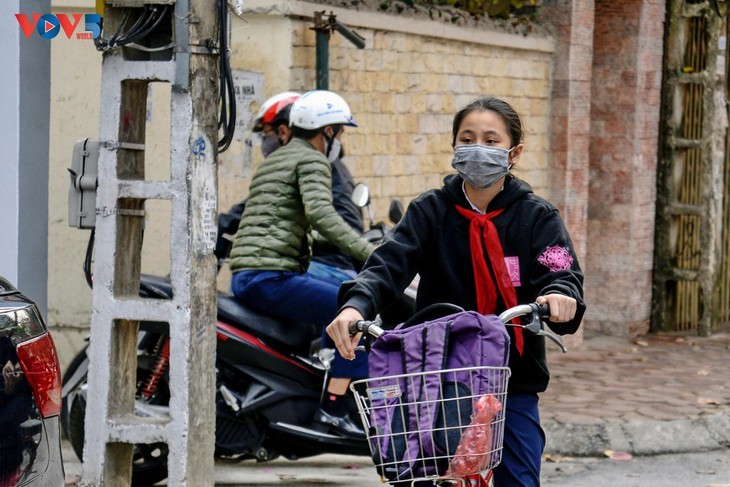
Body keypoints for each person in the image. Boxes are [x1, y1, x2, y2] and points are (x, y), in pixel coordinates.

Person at [326, 96, 586, 485]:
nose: (478, 148)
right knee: (422, 474)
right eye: (467, 138)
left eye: (491, 140)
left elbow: (559, 270)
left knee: (520, 478)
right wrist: (355, 306)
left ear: (514, 152)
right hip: (438, 377)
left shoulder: (537, 216)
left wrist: (558, 297)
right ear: (454, 147)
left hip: (511, 378)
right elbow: (386, 265)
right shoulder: (430, 211)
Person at [229, 90, 375, 438]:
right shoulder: (312, 160)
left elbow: (291, 225)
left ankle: (316, 384)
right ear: (325, 131)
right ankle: (333, 410)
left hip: (250, 274)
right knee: (353, 317)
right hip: (270, 276)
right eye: (339, 131)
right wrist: (371, 255)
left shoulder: (277, 160)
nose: (339, 140)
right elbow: (323, 216)